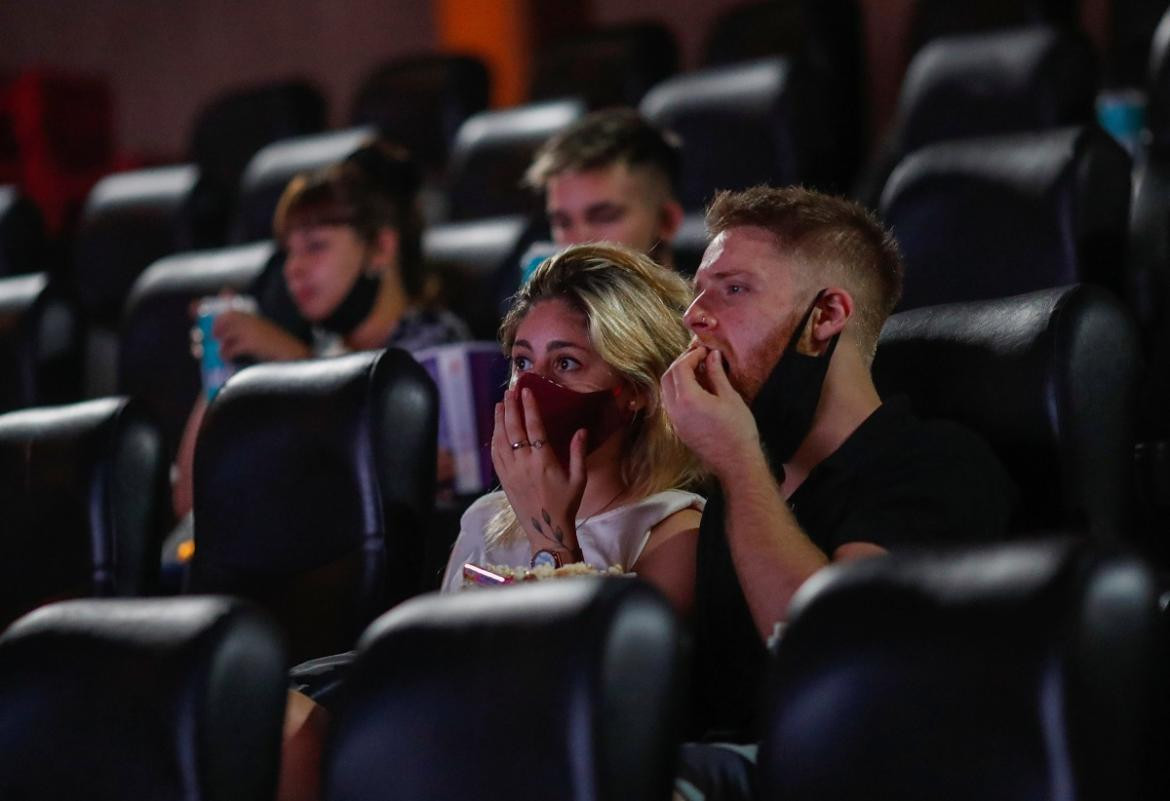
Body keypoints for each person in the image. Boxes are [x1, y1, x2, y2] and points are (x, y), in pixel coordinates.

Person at [660, 186, 1015, 798]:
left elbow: (830, 661)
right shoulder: (737, 488)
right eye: (699, 289)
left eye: (734, 288)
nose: (695, 313)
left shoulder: (935, 464)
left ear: (825, 318)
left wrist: (739, 461)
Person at [171, 141, 469, 521]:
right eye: (289, 251)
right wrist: (222, 362)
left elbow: (419, 470)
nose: (292, 269)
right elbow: (192, 505)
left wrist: (290, 360)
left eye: (315, 246)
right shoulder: (320, 352)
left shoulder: (435, 344)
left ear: (380, 248)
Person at [441, 242, 706, 613]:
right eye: (522, 362)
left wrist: (552, 542)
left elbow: (596, 668)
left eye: (566, 363)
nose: (534, 384)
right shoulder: (484, 520)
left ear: (636, 390)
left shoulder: (673, 532)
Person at [525, 108, 685, 268]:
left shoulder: (705, 292)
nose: (578, 245)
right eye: (563, 223)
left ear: (667, 221)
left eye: (604, 217)